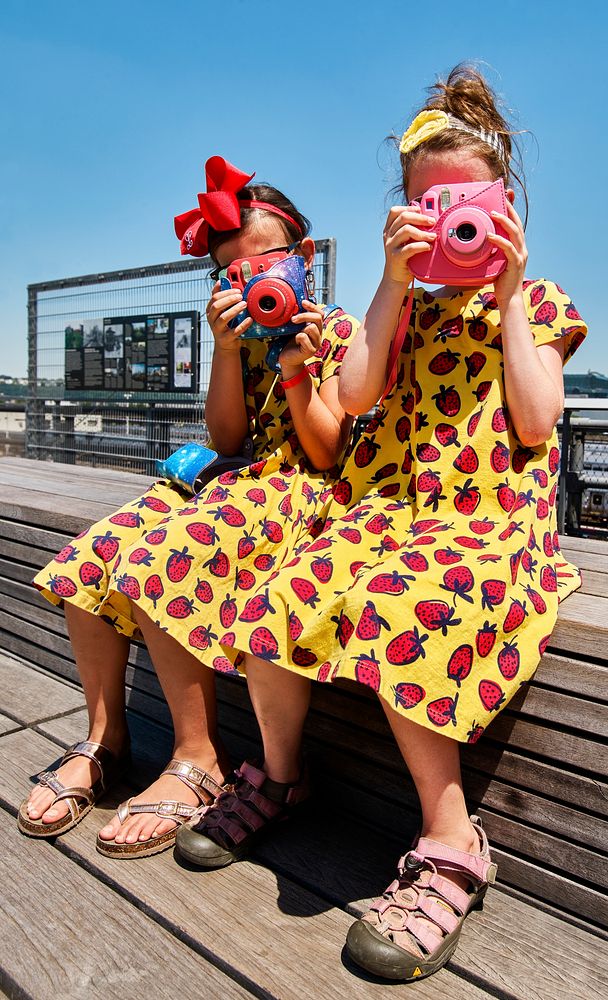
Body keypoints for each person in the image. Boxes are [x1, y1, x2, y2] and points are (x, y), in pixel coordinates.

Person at [175, 66, 588, 982]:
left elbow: (533, 421)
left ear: (505, 202)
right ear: (397, 211)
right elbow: (354, 392)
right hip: (391, 510)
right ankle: (281, 774)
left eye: (462, 202)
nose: (445, 219)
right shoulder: (395, 310)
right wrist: (395, 281)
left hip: (487, 522)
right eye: (421, 204)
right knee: (284, 589)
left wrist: (512, 288)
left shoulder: (540, 303)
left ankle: (452, 839)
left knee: (408, 601)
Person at [20, 155, 357, 859]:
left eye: (265, 262)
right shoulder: (236, 341)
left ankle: (199, 757)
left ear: (301, 259)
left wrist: (295, 354)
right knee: (93, 558)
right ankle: (104, 738)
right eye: (232, 273)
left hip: (299, 487)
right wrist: (226, 349)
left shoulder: (339, 333)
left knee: (160, 556)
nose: (251, 280)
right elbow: (226, 436)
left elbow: (326, 452)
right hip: (235, 477)